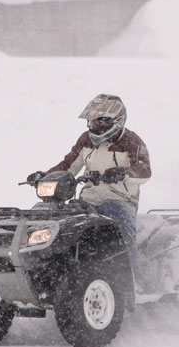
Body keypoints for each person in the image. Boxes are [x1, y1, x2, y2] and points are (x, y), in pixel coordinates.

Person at [27, 94, 151, 279]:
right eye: (92, 122)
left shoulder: (132, 141)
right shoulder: (86, 140)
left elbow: (144, 170)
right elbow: (69, 165)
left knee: (124, 237)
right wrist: (45, 176)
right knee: (58, 229)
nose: (94, 127)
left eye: (100, 122)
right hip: (88, 200)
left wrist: (122, 173)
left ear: (116, 121)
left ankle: (134, 281)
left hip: (120, 201)